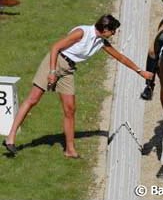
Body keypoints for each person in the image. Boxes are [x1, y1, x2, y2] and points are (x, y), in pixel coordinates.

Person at [3, 14, 153, 158]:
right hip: (55, 62)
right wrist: (52, 71)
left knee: (70, 109)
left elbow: (120, 57)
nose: (114, 34)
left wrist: (140, 72)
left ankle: (70, 149)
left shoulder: (101, 42)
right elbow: (55, 47)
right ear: (106, 29)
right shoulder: (81, 33)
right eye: (113, 31)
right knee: (33, 100)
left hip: (68, 70)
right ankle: (10, 138)